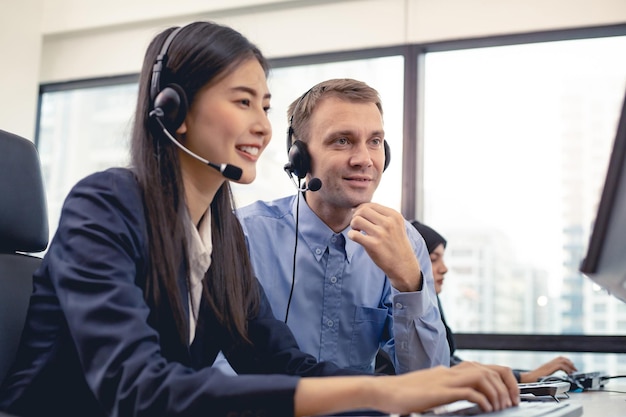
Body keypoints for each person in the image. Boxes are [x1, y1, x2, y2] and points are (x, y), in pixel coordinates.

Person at [0, 22, 520, 417]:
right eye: (243, 101)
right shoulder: (105, 204)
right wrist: (380, 389)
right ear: (172, 109)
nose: (262, 127)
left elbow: (280, 361)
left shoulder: (220, 235)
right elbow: (137, 387)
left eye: (265, 107)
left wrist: (417, 391)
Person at [233, 78, 448, 375]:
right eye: (342, 141)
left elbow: (429, 380)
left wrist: (409, 284)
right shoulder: (243, 236)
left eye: (374, 141)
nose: (364, 160)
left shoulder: (404, 241)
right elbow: (211, 367)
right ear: (300, 156)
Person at [410, 220, 578, 383]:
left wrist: (523, 376)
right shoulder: (401, 311)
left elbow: (450, 365)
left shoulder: (431, 303)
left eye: (443, 258)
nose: (444, 268)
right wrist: (523, 377)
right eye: (433, 259)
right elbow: (443, 370)